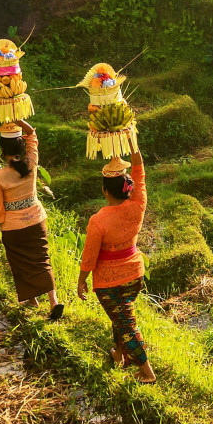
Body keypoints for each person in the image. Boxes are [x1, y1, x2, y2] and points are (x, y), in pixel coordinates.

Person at [76, 151, 155, 383]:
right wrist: (132, 145)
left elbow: (90, 256)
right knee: (121, 317)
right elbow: (140, 172)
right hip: (134, 276)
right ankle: (119, 354)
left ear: (105, 190)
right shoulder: (138, 204)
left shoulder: (98, 221)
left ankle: (148, 373)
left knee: (127, 325)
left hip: (110, 282)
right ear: (126, 187)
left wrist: (81, 279)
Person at [0, 120, 62, 320]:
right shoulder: (31, 162)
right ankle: (53, 300)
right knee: (42, 259)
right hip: (37, 221)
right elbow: (33, 135)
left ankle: (32, 300)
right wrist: (18, 120)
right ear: (23, 146)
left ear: (2, 150)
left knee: (20, 263)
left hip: (13, 228)